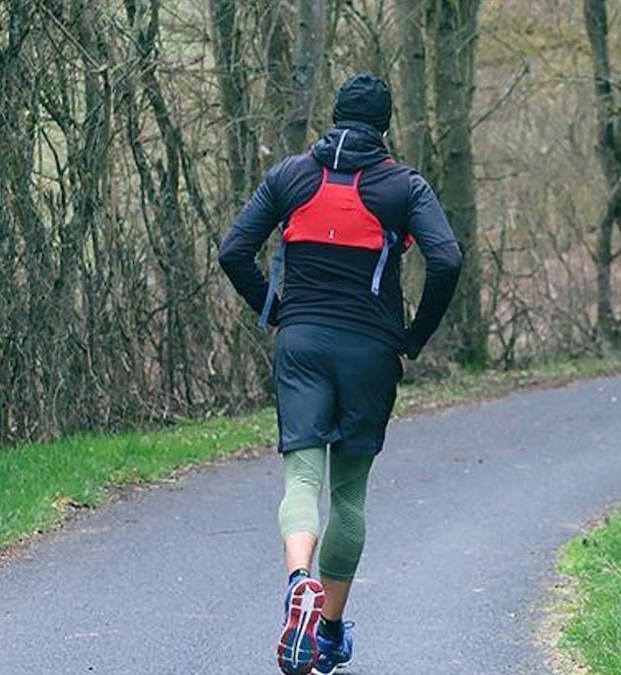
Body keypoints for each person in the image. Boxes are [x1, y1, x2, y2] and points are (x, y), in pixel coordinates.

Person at [218, 73, 462, 675]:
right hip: (371, 353)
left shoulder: (291, 175)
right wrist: (415, 336)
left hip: (300, 342)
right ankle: (326, 633)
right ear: (385, 127)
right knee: (348, 496)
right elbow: (447, 258)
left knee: (301, 479)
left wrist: (275, 311)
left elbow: (232, 251)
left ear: (333, 118)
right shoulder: (404, 185)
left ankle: (298, 581)